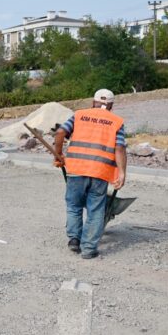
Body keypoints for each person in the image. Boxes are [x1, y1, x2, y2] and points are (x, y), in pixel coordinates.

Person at [53, 89, 127, 259]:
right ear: (111, 105)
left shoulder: (79, 115)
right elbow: (120, 148)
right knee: (95, 210)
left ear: (93, 102)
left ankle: (74, 240)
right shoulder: (117, 121)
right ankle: (88, 249)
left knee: (74, 206)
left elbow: (60, 133)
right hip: (101, 172)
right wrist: (121, 173)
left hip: (76, 169)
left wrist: (59, 155)